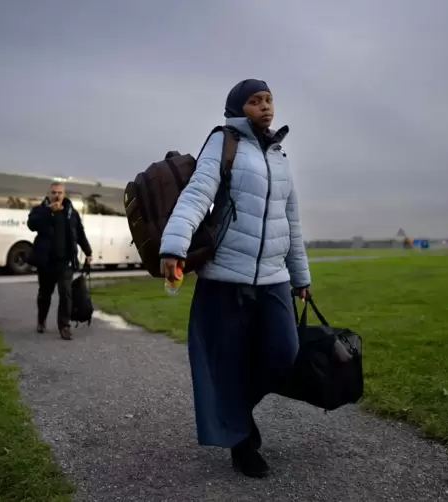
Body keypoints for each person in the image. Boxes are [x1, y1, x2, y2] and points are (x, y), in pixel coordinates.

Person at [159, 79, 311, 478]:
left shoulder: (279, 154)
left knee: (284, 355)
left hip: (274, 277)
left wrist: (300, 275)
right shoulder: (224, 142)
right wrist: (173, 246)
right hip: (225, 275)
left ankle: (237, 413)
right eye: (254, 101)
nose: (265, 107)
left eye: (268, 100)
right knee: (225, 363)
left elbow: (290, 220)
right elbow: (197, 193)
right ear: (237, 108)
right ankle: (242, 443)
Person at [27, 181, 92, 340]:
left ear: (64, 194)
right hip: (46, 261)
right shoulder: (40, 210)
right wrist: (48, 212)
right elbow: (31, 225)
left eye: (60, 193)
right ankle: (41, 320)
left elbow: (80, 234)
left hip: (65, 261)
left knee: (66, 293)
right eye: (54, 192)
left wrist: (88, 252)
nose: (57, 196)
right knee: (45, 294)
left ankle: (64, 326)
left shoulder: (71, 213)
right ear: (49, 194)